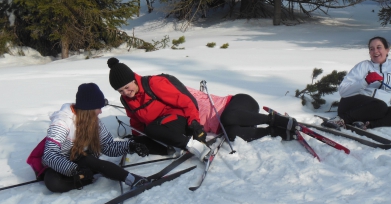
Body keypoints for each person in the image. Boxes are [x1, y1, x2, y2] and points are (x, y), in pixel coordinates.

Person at [107, 58, 297, 161]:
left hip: (235, 104)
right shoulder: (128, 99)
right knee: (231, 133)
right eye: (121, 90)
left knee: (229, 119)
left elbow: (186, 103)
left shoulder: (157, 85)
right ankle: (274, 131)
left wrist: (195, 123)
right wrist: (137, 137)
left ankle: (275, 119)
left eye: (127, 86)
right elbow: (136, 121)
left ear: (133, 78)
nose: (126, 92)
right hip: (215, 124)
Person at [42, 83, 156, 193]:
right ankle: (89, 176)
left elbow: (108, 146)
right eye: (98, 108)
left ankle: (134, 179)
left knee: (90, 160)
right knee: (53, 183)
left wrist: (130, 146)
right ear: (88, 109)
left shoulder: (94, 122)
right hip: (62, 163)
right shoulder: (62, 122)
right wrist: (74, 170)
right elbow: (50, 154)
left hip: (81, 158)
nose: (100, 111)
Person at [323, 36, 391, 130]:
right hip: (353, 105)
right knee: (380, 106)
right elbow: (343, 91)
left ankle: (367, 124)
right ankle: (340, 120)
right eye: (371, 49)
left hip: (378, 110)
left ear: (387, 50)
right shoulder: (363, 66)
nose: (375, 51)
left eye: (379, 47)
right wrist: (365, 81)